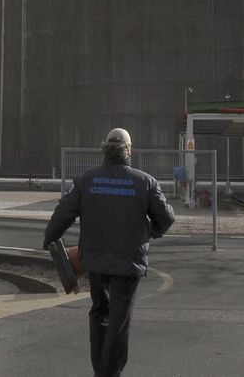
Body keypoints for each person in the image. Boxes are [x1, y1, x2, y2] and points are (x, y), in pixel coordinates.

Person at [44, 127, 175, 377]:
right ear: (129, 150)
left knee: (99, 313)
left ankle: (100, 371)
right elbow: (166, 218)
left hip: (96, 262)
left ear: (105, 149)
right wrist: (151, 232)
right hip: (129, 264)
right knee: (119, 321)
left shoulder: (86, 180)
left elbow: (63, 212)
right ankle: (109, 373)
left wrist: (49, 239)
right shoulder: (145, 182)